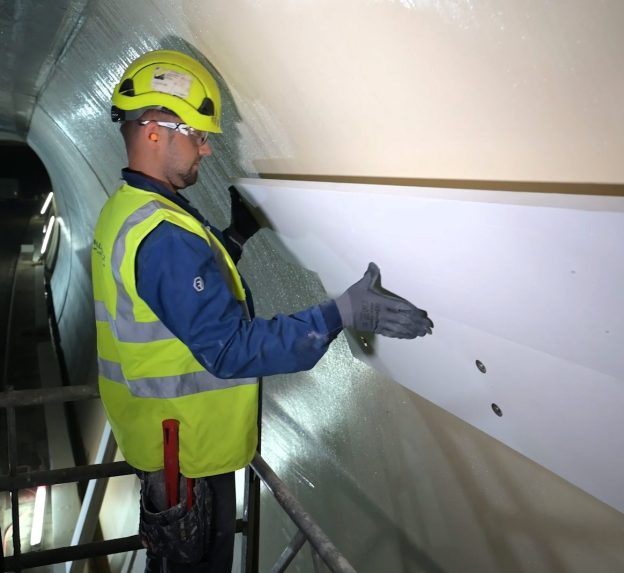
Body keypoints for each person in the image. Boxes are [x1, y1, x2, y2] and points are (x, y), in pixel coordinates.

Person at [92, 49, 433, 571]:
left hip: (167, 447)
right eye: (198, 135)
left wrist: (231, 239)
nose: (206, 150)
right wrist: (338, 313)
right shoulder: (161, 233)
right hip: (188, 460)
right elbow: (229, 348)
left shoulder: (128, 210)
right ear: (156, 130)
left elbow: (172, 303)